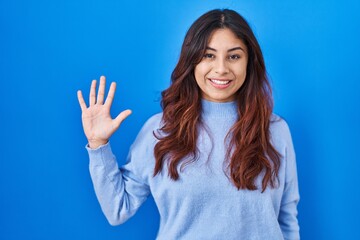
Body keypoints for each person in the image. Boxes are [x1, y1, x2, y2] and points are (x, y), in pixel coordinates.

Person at [77, 9, 300, 240]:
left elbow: (286, 217)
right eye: (208, 55)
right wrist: (98, 144)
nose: (221, 68)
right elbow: (117, 210)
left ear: (249, 63)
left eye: (234, 56)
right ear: (191, 60)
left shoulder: (275, 130)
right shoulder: (161, 131)